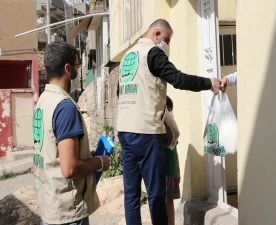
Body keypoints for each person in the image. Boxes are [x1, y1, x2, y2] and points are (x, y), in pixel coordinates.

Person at [117, 19, 221, 225]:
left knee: (131, 196)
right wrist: (209, 83)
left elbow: (122, 92)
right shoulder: (152, 53)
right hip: (146, 132)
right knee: (156, 195)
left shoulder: (127, 56)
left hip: (125, 131)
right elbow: (179, 79)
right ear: (156, 34)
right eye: (166, 39)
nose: (167, 45)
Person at [32, 42, 110, 225]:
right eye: (77, 65)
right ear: (67, 68)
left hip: (50, 203)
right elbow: (69, 169)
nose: (79, 68)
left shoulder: (44, 100)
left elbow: (55, 150)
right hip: (67, 211)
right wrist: (99, 162)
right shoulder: (65, 107)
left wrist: (85, 156)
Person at [162, 96, 180, 225]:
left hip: (168, 170)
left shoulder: (168, 128)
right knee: (167, 202)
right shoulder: (170, 128)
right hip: (168, 169)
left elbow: (175, 151)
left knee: (166, 202)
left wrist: (178, 171)